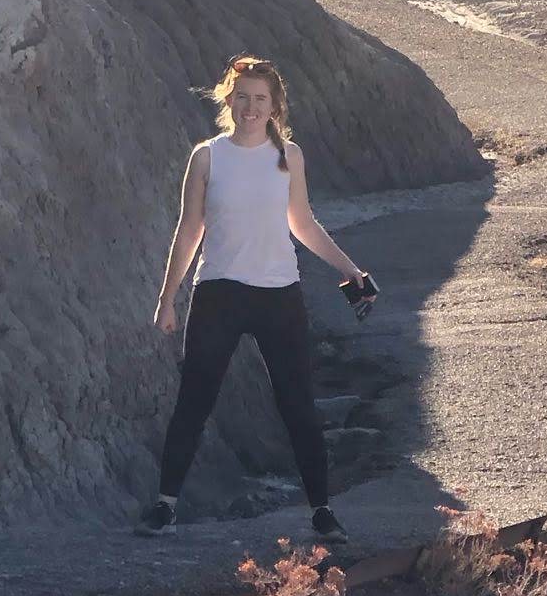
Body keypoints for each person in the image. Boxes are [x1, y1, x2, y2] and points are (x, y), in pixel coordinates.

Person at [139, 55, 377, 540]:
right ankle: (165, 506)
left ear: (274, 106)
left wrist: (351, 270)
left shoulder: (289, 157)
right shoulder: (206, 156)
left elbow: (303, 224)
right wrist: (168, 298)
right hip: (218, 293)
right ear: (229, 99)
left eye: (260, 99)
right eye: (242, 96)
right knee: (194, 401)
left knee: (298, 407)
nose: (250, 106)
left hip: (279, 295)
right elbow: (189, 231)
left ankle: (322, 512)